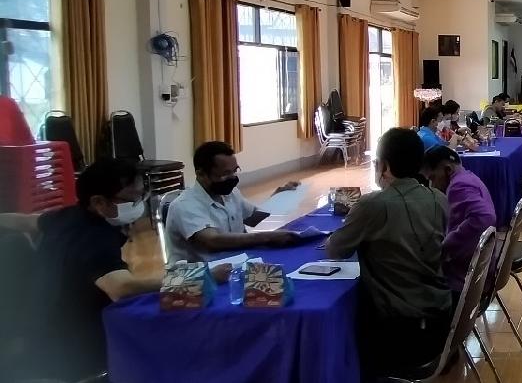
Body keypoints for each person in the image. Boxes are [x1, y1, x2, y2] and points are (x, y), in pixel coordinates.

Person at [0, 159, 231, 381]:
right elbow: (122, 287)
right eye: (132, 199)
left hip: (37, 325)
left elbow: (24, 221)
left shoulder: (67, 215)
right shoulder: (95, 239)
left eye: (142, 195)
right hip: (73, 344)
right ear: (99, 202)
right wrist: (200, 277)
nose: (140, 204)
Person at [326, 128, 453, 378]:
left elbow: (335, 250)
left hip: (399, 331)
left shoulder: (373, 205)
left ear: (383, 166)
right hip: (441, 318)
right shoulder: (438, 198)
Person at [165, 141, 301, 263]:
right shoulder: (184, 205)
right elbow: (212, 241)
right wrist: (267, 237)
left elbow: (252, 218)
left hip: (236, 262)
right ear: (201, 174)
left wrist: (279, 196)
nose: (232, 178)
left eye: (234, 171)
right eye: (225, 174)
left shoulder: (230, 193)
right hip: (201, 276)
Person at [421, 146, 497, 295]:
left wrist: (446, 246)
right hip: (481, 269)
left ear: (447, 169)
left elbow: (485, 216)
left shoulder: (458, 185)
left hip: (465, 279)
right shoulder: (469, 177)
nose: (432, 186)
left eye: (432, 178)